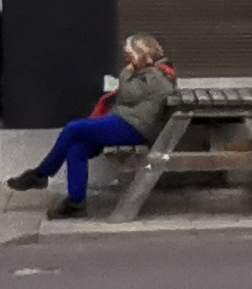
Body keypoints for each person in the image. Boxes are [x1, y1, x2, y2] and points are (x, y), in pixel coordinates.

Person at [13, 36, 175, 212]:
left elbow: (128, 95)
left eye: (129, 55)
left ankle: (40, 174)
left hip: (134, 128)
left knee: (73, 128)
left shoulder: (157, 75)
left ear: (141, 53)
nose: (126, 60)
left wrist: (126, 73)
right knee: (77, 146)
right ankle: (75, 202)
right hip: (126, 123)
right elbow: (130, 98)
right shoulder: (151, 73)